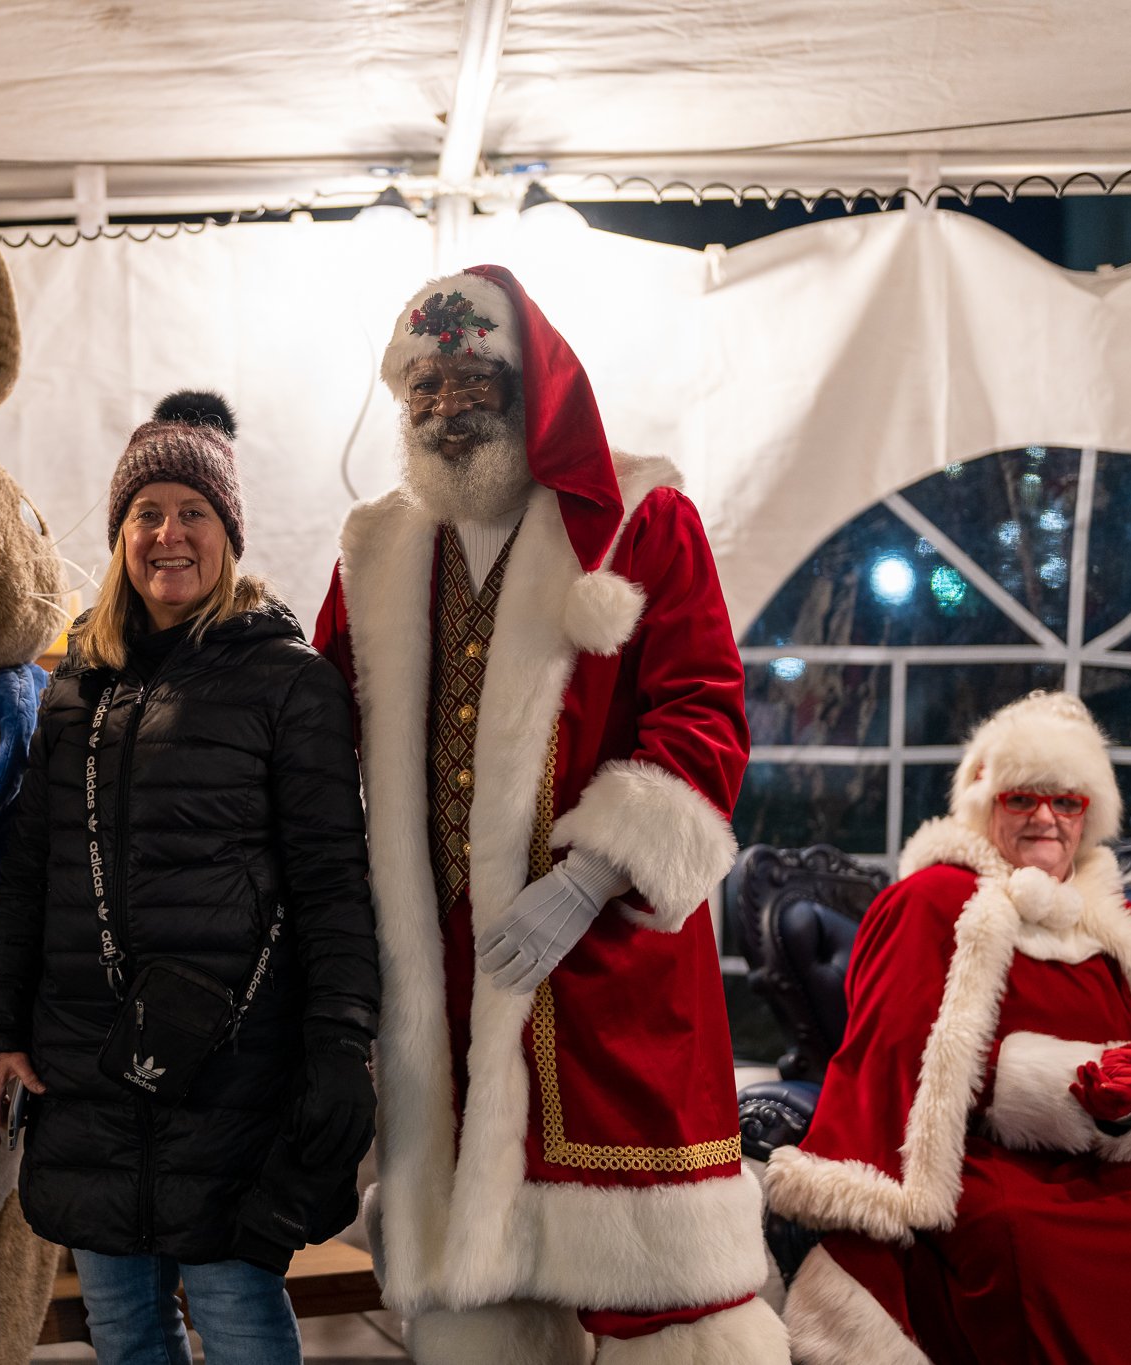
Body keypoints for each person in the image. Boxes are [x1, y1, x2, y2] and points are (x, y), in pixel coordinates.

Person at [313, 269, 786, 1363]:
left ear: (528, 388)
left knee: (662, 1299)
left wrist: (588, 879)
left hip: (604, 961)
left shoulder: (637, 520)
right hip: (439, 969)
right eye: (420, 385)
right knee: (480, 1291)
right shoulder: (377, 548)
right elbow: (315, 725)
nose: (442, 405)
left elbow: (704, 709)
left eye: (468, 377)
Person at [0, 392, 380, 1365]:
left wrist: (339, 1046)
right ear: (120, 536)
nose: (168, 534)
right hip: (90, 1066)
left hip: (236, 1072)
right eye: (146, 513)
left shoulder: (290, 681)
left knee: (237, 1321)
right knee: (121, 1328)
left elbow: (332, 884)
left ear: (227, 533)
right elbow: (30, 875)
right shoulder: (75, 687)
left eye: (192, 512)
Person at [766, 692, 1131, 1363]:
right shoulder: (938, 903)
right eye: (1023, 799)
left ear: (1088, 815)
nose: (1047, 817)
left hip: (1110, 1165)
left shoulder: (1122, 932)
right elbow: (895, 1059)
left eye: (1066, 801)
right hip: (986, 1163)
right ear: (988, 806)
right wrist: (1056, 1084)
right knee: (1021, 1238)